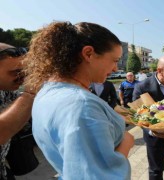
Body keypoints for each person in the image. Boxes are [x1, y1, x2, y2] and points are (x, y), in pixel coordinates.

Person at [22, 21, 134, 179]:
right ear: (88, 53)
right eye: (114, 60)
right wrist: (126, 142)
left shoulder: (46, 92)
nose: (116, 69)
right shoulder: (82, 104)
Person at [0, 43, 34, 180]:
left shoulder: (6, 89)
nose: (23, 78)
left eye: (25, 71)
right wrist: (30, 93)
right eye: (15, 72)